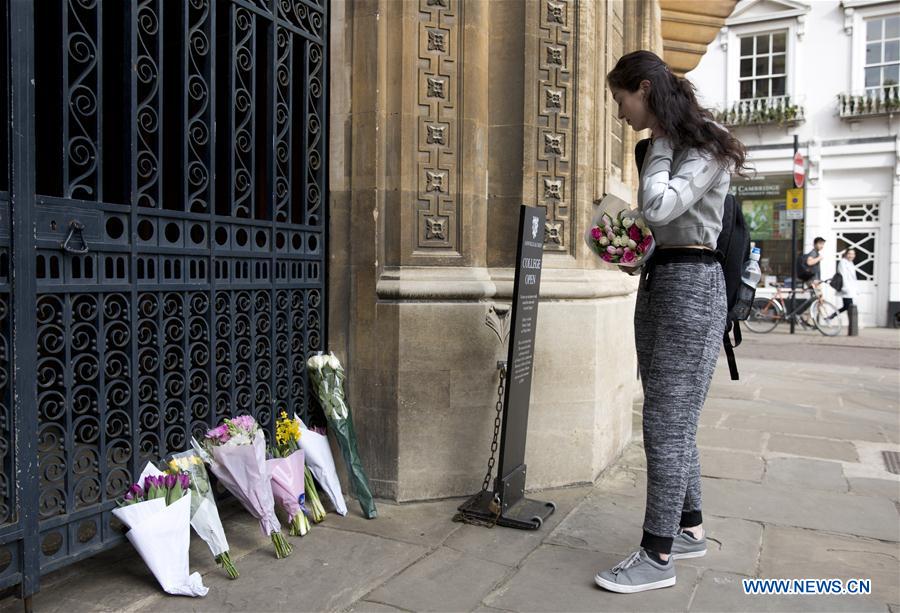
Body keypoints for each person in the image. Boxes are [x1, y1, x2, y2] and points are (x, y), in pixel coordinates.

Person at [594, 50, 749, 594]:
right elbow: (658, 226)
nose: (620, 114)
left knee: (664, 420)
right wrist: (625, 246)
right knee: (672, 414)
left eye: (622, 100)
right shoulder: (665, 146)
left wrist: (658, 138)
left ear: (644, 89)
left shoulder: (704, 143)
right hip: (661, 281)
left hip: (694, 288)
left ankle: (657, 556)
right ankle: (689, 529)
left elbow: (660, 205)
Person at [829, 248, 859, 320]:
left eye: (853, 254)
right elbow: (843, 276)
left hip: (851, 288)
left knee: (847, 306)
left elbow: (853, 278)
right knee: (849, 306)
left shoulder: (850, 263)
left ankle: (830, 317)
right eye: (849, 254)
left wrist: (856, 288)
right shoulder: (843, 262)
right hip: (846, 288)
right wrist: (845, 288)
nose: (851, 256)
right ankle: (853, 324)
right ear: (846, 254)